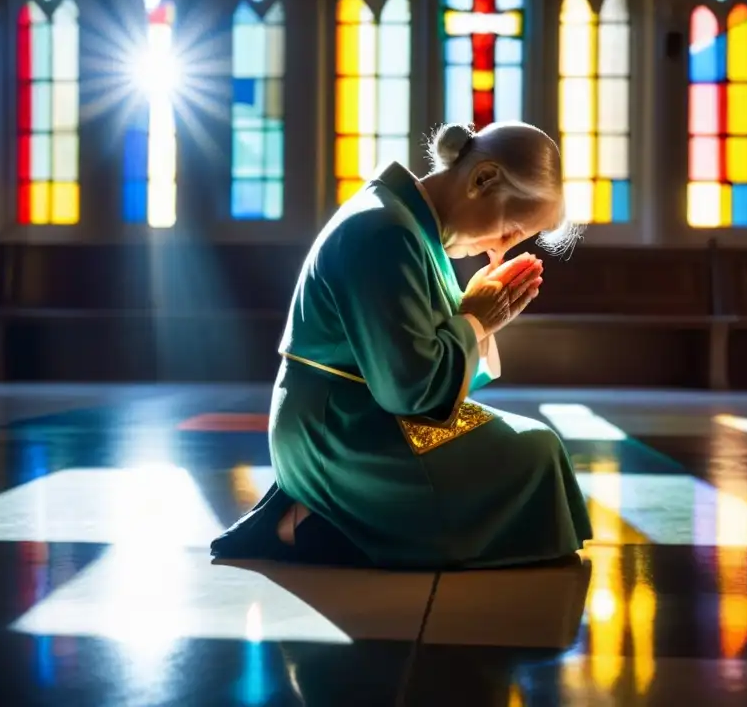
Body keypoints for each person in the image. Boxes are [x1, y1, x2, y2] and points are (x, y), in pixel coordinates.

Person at [211, 121, 592, 569]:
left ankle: (337, 519)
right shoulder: (385, 231)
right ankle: (311, 524)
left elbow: (433, 385)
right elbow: (410, 389)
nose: (502, 249)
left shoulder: (410, 226)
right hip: (336, 430)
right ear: (483, 179)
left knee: (535, 446)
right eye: (510, 229)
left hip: (363, 415)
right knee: (530, 457)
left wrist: (480, 321)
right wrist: (474, 320)